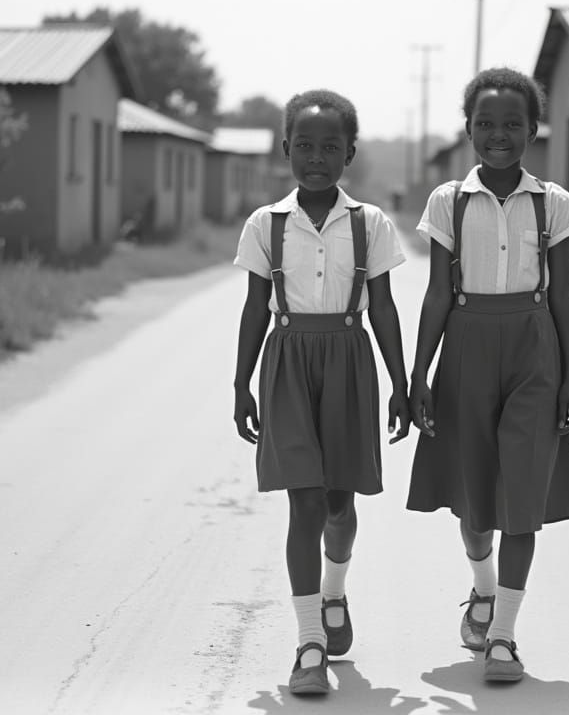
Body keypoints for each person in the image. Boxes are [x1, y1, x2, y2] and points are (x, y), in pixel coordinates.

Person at [406, 67, 569, 683]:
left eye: (512, 123)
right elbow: (434, 295)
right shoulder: (448, 201)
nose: (498, 134)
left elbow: (563, 296)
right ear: (468, 130)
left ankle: (504, 636)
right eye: (485, 123)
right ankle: (482, 587)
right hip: (467, 345)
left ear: (533, 131)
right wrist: (417, 374)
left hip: (535, 351)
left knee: (522, 499)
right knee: (474, 500)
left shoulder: (553, 202)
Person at [232, 89, 410, 696]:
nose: (316, 156)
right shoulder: (266, 225)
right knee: (304, 503)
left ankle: (334, 591)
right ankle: (309, 642)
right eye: (304, 145)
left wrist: (401, 383)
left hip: (349, 361)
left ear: (350, 154)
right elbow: (255, 310)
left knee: (338, 504)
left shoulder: (370, 224)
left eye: (330, 146)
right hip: (285, 363)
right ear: (286, 149)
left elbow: (383, 308)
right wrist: (240, 384)